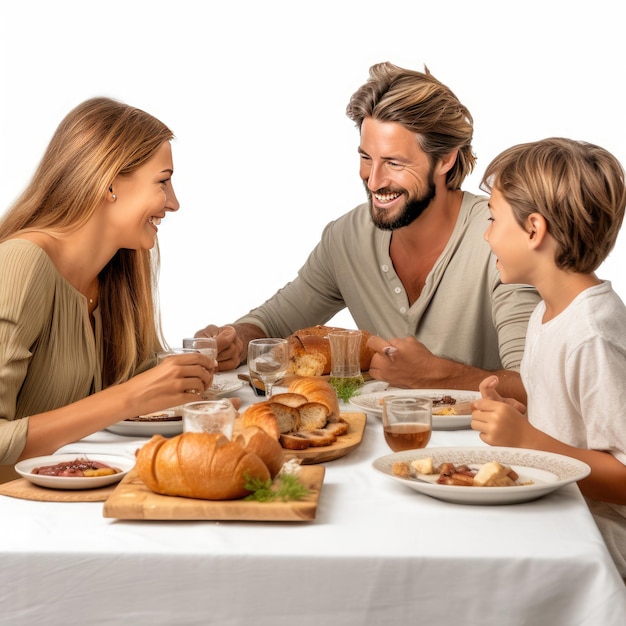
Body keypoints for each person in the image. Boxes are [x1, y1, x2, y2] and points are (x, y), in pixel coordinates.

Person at [197, 62, 540, 402]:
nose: (373, 181)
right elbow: (274, 322)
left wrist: (436, 375)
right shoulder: (346, 237)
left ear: (446, 160)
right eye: (366, 158)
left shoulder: (501, 236)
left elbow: (537, 385)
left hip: (487, 448)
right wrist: (238, 340)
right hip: (383, 443)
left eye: (394, 162)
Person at [0, 97, 214, 477]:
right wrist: (129, 398)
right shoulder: (22, 263)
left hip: (81, 496)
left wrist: (188, 367)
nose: (174, 202)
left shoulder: (119, 268)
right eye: (163, 181)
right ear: (110, 183)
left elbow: (130, 375)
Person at [471, 137, 626, 577]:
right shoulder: (547, 312)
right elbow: (571, 429)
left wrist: (526, 440)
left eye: (492, 219)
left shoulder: (592, 334)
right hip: (552, 518)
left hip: (594, 549)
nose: (486, 235)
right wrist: (521, 416)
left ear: (534, 229)